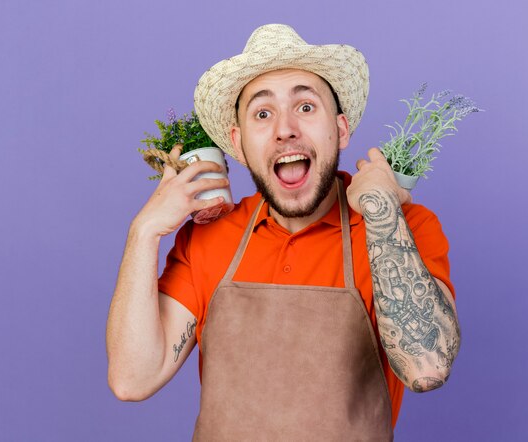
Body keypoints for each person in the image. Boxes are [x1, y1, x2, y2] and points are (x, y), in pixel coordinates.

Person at [106, 24, 461, 440]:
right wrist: (144, 231)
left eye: (306, 107)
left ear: (341, 130)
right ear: (238, 146)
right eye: (262, 113)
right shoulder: (207, 238)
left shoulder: (401, 230)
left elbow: (426, 369)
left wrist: (382, 210)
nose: (285, 129)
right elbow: (132, 379)